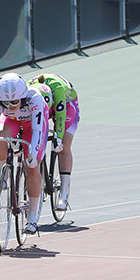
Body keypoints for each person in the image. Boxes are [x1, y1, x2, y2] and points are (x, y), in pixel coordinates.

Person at [0, 73, 49, 235]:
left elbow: (38, 130)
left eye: (15, 102)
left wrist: (33, 153)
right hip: (12, 122)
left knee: (32, 166)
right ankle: (4, 172)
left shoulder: (34, 98)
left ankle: (32, 216)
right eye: (6, 103)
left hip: (33, 125)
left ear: (23, 97)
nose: (10, 106)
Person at [28, 74, 80, 210]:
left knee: (64, 144)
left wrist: (58, 137)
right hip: (41, 105)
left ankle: (63, 194)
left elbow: (61, 117)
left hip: (66, 106)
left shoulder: (57, 90)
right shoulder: (27, 90)